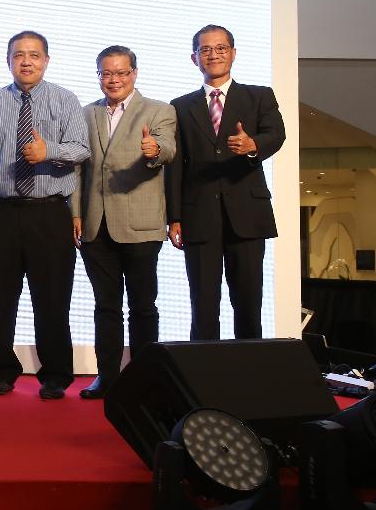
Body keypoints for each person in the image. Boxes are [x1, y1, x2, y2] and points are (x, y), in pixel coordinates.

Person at [0, 30, 89, 400]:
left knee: (52, 299)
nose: (26, 61)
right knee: (0, 298)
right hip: (4, 213)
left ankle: (55, 374)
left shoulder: (66, 100)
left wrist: (48, 151)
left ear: (47, 60)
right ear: (8, 61)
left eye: (34, 55)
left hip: (49, 214)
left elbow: (81, 149)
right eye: (18, 55)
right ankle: (0, 371)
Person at [166, 24, 285, 341]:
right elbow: (176, 164)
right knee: (203, 304)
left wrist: (253, 146)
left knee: (248, 302)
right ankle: (204, 376)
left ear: (233, 53)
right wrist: (174, 216)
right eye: (205, 49)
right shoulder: (179, 106)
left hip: (247, 213)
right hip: (198, 214)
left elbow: (276, 134)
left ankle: (249, 375)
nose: (213, 54)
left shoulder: (258, 96)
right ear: (195, 58)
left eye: (220, 48)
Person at [71, 46, 176, 400]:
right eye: (106, 73)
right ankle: (108, 378)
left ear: (134, 73)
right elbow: (78, 169)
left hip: (141, 225)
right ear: (98, 74)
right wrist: (75, 213)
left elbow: (167, 148)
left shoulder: (160, 110)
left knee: (143, 306)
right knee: (106, 306)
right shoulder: (86, 113)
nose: (113, 80)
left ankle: (146, 380)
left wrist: (153, 151)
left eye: (121, 73)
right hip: (94, 226)